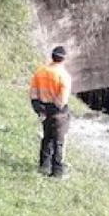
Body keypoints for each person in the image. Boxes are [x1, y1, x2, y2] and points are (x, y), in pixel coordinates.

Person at [29, 46, 73, 178]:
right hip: (58, 112)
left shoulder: (40, 71)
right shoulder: (63, 75)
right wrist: (60, 110)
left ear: (52, 57)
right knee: (59, 140)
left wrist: (38, 108)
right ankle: (58, 171)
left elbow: (33, 92)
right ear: (64, 59)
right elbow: (62, 99)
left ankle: (44, 165)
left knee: (47, 137)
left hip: (43, 109)